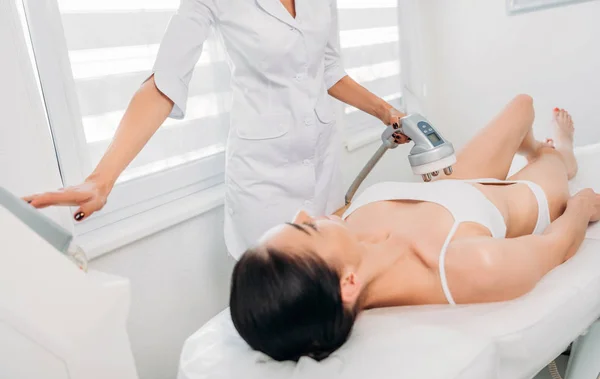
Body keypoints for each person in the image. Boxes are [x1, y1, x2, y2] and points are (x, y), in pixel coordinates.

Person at [22, 0, 409, 259]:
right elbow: (166, 81)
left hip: (321, 166)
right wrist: (101, 178)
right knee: (278, 300)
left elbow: (328, 68)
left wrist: (386, 112)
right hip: (264, 182)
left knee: (334, 279)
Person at [229, 95, 600, 362]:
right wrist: (583, 203)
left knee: (523, 106)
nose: (303, 215)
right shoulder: (464, 264)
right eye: (307, 231)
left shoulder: (345, 232)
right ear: (348, 284)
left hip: (458, 184)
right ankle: (558, 153)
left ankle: (532, 146)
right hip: (519, 198)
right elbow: (557, 246)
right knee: (553, 159)